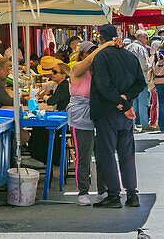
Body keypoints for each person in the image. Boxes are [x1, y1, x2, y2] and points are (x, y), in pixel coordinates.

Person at [89, 23, 146, 208]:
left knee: (106, 153)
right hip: (124, 113)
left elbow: (104, 87)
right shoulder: (130, 56)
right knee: (127, 153)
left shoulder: (101, 57)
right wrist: (127, 100)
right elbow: (140, 83)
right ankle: (132, 194)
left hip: (107, 111)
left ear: (101, 38)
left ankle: (114, 195)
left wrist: (122, 102)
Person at [68, 40, 109, 205]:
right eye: (89, 51)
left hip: (97, 112)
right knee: (83, 156)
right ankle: (82, 192)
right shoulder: (77, 67)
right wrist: (104, 46)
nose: (93, 54)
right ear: (83, 54)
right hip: (80, 115)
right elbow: (88, 62)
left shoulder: (98, 70)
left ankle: (102, 190)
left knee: (102, 155)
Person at [125, 30, 151, 132]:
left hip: (129, 79)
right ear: (140, 38)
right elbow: (144, 65)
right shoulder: (140, 48)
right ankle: (144, 124)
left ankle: (132, 124)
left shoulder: (128, 48)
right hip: (140, 79)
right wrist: (151, 66)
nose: (147, 40)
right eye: (146, 38)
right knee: (142, 102)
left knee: (133, 103)